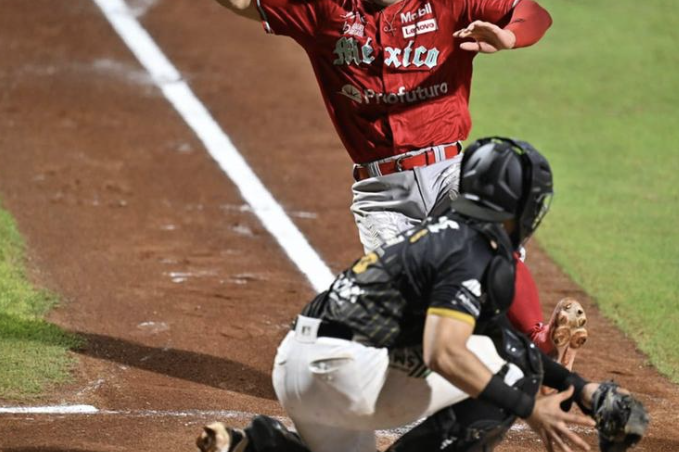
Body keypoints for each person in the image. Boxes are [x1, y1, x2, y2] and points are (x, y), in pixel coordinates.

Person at [200, 0, 587, 367]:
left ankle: (541, 340)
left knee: (490, 234)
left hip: (447, 171)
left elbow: (534, 12)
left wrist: (508, 36)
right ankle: (481, 360)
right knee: (412, 320)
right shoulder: (326, 12)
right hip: (382, 196)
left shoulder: (449, 5)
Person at [194, 138, 647, 452]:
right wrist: (530, 409)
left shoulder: (442, 234)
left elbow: (495, 334)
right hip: (343, 374)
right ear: (513, 210)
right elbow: (444, 352)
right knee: (515, 375)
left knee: (508, 355)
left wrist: (583, 390)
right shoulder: (474, 253)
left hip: (297, 366)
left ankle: (258, 444)